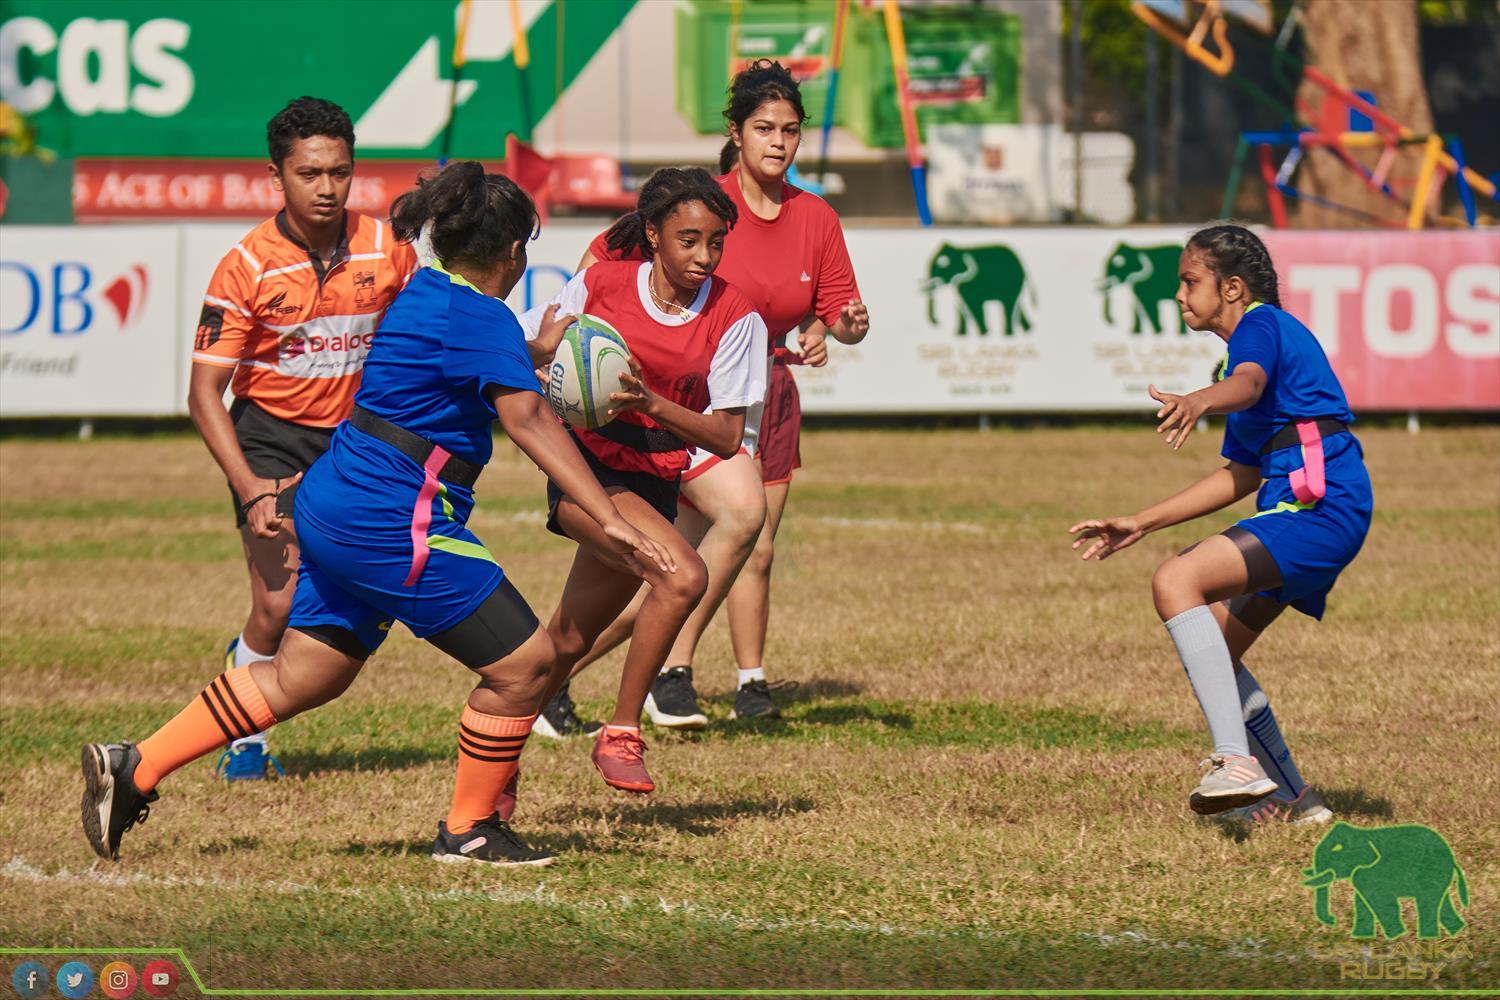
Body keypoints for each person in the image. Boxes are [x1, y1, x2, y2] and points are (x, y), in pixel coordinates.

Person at [81, 162, 675, 866]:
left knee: (305, 675)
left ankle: (134, 767)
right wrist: (608, 516)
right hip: (393, 520)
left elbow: (473, 364)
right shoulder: (480, 318)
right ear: (515, 252)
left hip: (337, 502)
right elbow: (532, 421)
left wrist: (535, 350)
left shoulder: (430, 293)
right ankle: (470, 827)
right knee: (526, 665)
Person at [539, 60, 868, 736]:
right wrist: (587, 353)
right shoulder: (694, 203)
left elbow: (834, 313)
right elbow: (599, 267)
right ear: (737, 133)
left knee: (728, 536)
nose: (779, 142)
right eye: (765, 128)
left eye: (791, 131)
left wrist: (835, 327)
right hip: (640, 412)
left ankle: (661, 671)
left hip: (730, 404)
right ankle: (571, 678)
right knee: (669, 566)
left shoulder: (815, 218)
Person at [1069, 224, 1369, 823]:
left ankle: (1234, 760)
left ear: (1231, 287)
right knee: (1216, 648)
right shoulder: (1245, 351)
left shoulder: (1260, 325)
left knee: (1175, 582)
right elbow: (1239, 475)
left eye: (1189, 281)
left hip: (1319, 505)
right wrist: (1143, 521)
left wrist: (1202, 398)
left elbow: (1248, 383)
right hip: (1310, 506)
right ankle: (1296, 800)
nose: (1180, 295)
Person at [187, 97, 417, 780]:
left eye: (339, 173)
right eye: (309, 173)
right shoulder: (245, 265)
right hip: (271, 440)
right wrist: (250, 484)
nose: (325, 188)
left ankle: (257, 687)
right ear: (276, 176)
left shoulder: (387, 250)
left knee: (336, 607)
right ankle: (246, 736)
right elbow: (204, 396)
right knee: (278, 603)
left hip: (355, 444)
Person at [522, 167, 768, 792]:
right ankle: (623, 730)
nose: (703, 256)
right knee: (683, 575)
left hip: (656, 474)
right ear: (653, 234)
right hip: (586, 470)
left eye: (716, 242)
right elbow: (524, 346)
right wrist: (544, 352)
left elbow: (722, 436)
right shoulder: (599, 284)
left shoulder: (735, 314)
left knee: (567, 641)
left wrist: (650, 404)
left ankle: (493, 728)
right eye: (688, 240)